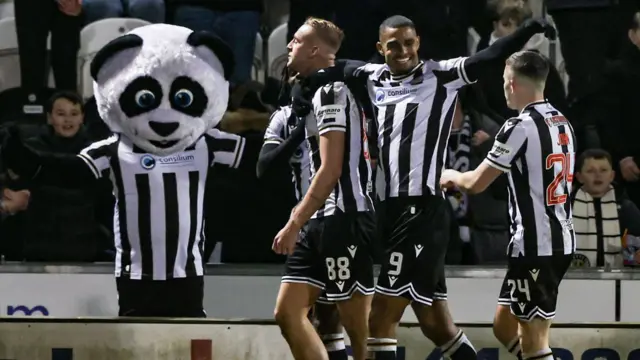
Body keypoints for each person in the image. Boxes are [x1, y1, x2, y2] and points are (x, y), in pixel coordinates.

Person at [299, 14, 557, 360]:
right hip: (390, 211)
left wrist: (528, 28)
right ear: (381, 48)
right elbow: (334, 69)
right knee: (436, 324)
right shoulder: (371, 76)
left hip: (422, 211)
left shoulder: (443, 74)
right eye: (394, 45)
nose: (403, 50)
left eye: (409, 42)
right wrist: (301, 88)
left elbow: (490, 57)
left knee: (380, 319)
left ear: (418, 42)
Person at [440, 50, 576, 360]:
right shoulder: (562, 121)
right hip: (557, 238)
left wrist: (450, 175)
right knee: (503, 325)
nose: (503, 89)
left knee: (535, 340)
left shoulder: (519, 126)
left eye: (504, 82)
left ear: (512, 84)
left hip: (536, 246)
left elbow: (476, 183)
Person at [271, 17, 375, 360]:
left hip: (345, 217)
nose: (289, 46)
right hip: (321, 219)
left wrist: (294, 221)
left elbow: (330, 170)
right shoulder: (317, 91)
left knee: (359, 333)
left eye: (297, 41)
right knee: (288, 314)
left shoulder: (332, 91)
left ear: (315, 50)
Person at [257, 105, 347, 360]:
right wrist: (299, 130)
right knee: (298, 315)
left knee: (338, 321)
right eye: (292, 73)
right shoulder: (284, 117)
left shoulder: (346, 103)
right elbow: (264, 166)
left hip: (347, 220)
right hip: (307, 223)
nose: (298, 79)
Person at [571, 148, 640, 268]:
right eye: (590, 171)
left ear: (612, 175)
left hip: (619, 281)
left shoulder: (627, 209)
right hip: (573, 280)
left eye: (603, 170)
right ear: (579, 177)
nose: (598, 175)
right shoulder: (566, 208)